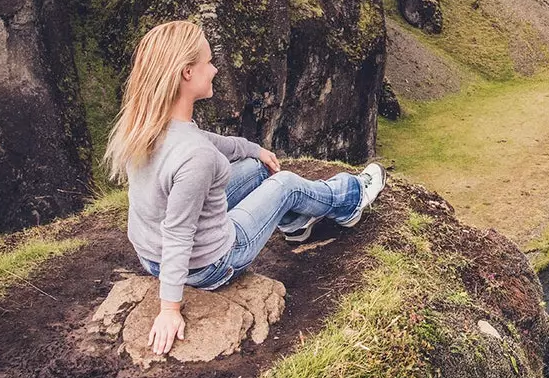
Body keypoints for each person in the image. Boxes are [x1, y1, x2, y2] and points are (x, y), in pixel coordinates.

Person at [102, 19, 384, 355]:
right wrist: (169, 309)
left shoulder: (147, 124)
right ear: (186, 73)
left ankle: (296, 224)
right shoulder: (195, 157)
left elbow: (205, 141)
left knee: (257, 169)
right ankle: (350, 198)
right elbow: (179, 233)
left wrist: (253, 150)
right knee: (286, 184)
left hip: (150, 254)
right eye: (207, 62)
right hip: (209, 264)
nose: (216, 69)